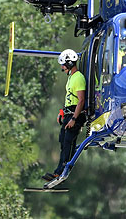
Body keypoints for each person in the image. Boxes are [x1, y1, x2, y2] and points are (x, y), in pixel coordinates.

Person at [42, 49, 86, 182]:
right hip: (69, 113)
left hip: (75, 114)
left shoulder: (78, 78)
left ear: (70, 63)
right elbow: (69, 98)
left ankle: (61, 171)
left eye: (63, 65)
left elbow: (81, 100)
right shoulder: (71, 78)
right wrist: (62, 113)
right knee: (62, 140)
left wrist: (74, 118)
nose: (62, 68)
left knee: (68, 142)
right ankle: (60, 169)